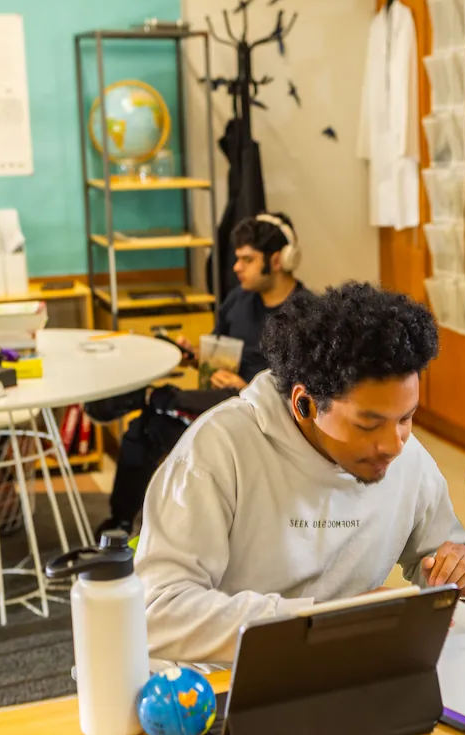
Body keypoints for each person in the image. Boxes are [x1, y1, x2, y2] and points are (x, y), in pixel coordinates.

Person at [135, 282, 465, 663]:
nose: (394, 444)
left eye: (407, 418)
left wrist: (456, 571)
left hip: (351, 668)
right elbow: (157, 611)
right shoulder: (218, 451)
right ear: (305, 404)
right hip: (228, 682)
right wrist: (326, 622)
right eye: (368, 425)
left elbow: (436, 556)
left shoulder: (409, 459)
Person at [86, 212, 311, 536]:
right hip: (220, 399)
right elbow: (220, 357)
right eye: (237, 259)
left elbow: (305, 391)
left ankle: (151, 396)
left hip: (263, 411)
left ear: (277, 260)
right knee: (145, 429)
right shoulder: (237, 301)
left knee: (182, 403)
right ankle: (121, 521)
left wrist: (248, 386)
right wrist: (195, 357)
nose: (236, 268)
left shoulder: (306, 314)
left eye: (247, 260)